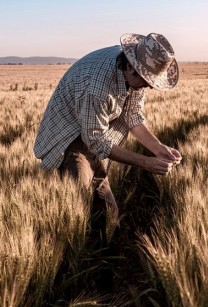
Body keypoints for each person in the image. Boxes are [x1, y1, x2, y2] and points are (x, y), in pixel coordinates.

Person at [33, 33, 182, 241]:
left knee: (107, 209)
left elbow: (133, 115)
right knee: (79, 196)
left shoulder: (137, 73)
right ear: (130, 67)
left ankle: (103, 244)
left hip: (96, 130)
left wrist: (158, 148)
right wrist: (146, 163)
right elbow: (95, 141)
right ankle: (68, 248)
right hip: (69, 134)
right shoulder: (97, 87)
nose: (148, 86)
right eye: (146, 81)